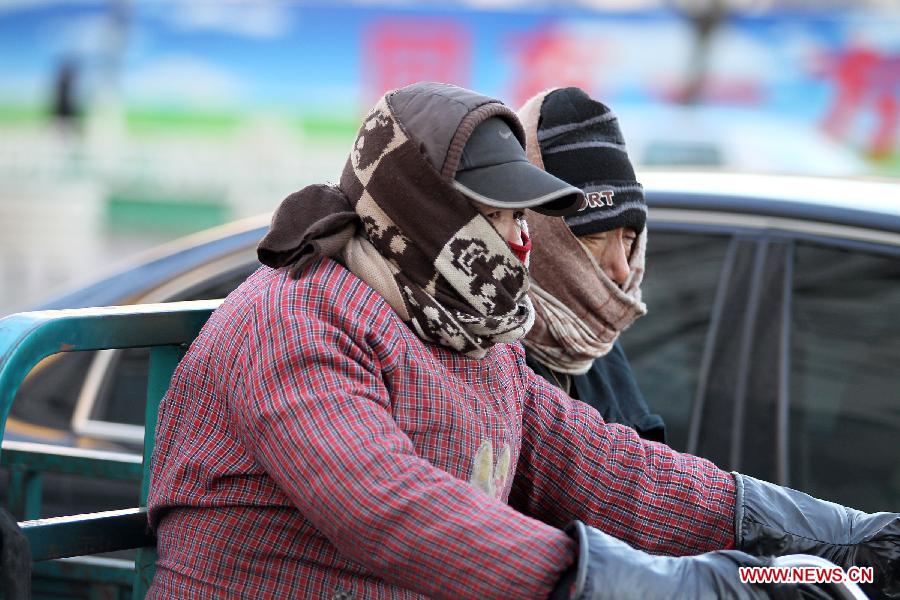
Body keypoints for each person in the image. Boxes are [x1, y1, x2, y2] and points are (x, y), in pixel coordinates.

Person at [146, 82, 898, 599]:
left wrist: (846, 538)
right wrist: (675, 586)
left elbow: (615, 472)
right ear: (424, 206)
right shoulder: (295, 321)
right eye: (502, 216)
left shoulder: (473, 341)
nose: (518, 242)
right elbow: (392, 509)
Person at [517, 87, 664, 443]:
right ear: (539, 233)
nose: (621, 270)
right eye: (593, 238)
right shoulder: (485, 357)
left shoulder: (598, 344)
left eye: (629, 239)